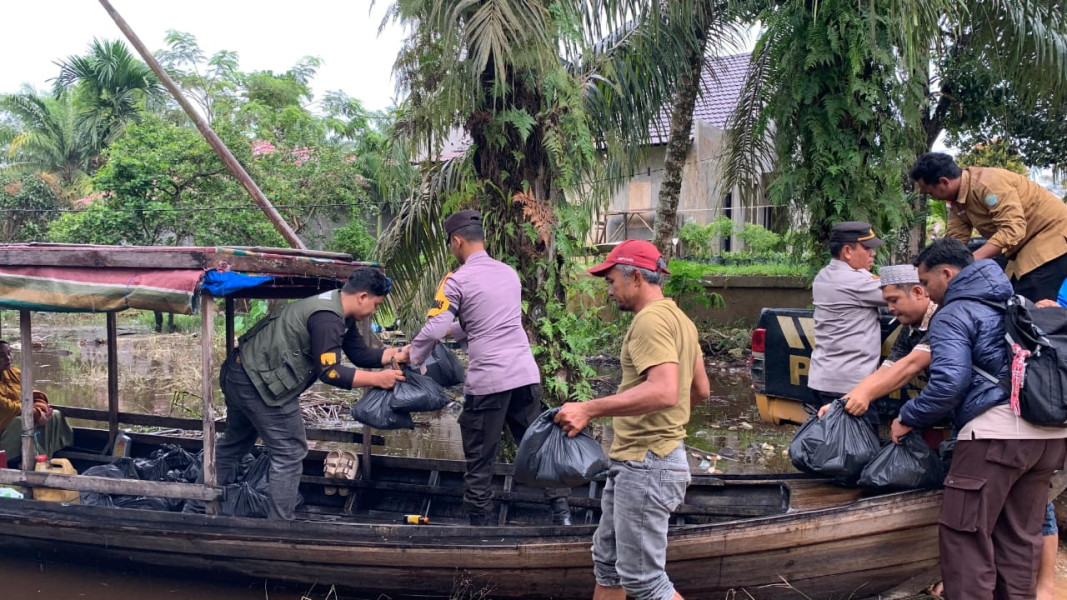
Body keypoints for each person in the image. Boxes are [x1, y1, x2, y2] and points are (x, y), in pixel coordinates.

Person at [890, 238, 1067, 599]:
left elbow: (948, 385)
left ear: (947, 273)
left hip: (993, 440)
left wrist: (908, 416)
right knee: (1019, 537)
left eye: (927, 282)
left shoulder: (955, 313)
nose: (928, 292)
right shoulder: (1021, 303)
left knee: (965, 537)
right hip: (1047, 441)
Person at [554, 240, 710, 600]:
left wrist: (589, 408)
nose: (609, 291)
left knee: (644, 581)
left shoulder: (650, 321)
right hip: (643, 460)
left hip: (648, 463)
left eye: (611, 281)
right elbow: (699, 389)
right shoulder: (680, 319)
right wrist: (665, 420)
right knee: (608, 565)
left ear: (636, 277)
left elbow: (666, 392)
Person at [408, 209, 572, 526]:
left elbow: (434, 328)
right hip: (525, 376)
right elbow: (485, 324)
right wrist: (451, 334)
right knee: (536, 449)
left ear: (457, 241)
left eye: (450, 244)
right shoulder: (507, 273)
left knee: (480, 460)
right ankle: (562, 514)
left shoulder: (457, 280)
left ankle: (481, 529)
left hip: (490, 382)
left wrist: (412, 357)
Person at [208, 268, 409, 520]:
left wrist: (395, 354)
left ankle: (196, 509)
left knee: (235, 444)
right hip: (257, 384)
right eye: (376, 305)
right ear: (363, 296)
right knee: (290, 452)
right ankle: (279, 526)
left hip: (240, 373)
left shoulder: (337, 311)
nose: (374, 311)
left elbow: (359, 354)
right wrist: (378, 379)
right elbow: (330, 372)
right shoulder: (328, 318)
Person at [909, 152, 1067, 303]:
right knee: (1011, 297)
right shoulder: (958, 202)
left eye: (930, 193)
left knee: (1030, 301)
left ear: (944, 182)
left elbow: (1012, 229)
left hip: (1050, 238)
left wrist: (970, 262)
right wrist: (927, 267)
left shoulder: (988, 184)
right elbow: (954, 243)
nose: (933, 198)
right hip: (1022, 249)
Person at [817, 264, 936, 420]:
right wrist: (843, 401)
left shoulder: (943, 318)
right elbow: (889, 366)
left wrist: (866, 394)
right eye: (887, 302)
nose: (890, 308)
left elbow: (911, 365)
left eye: (894, 300)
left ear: (918, 292)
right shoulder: (910, 326)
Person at [807, 222, 887, 420]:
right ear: (847, 251)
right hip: (850, 386)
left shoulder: (823, 276)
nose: (873, 254)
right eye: (867, 248)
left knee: (832, 444)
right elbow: (906, 295)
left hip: (824, 378)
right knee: (857, 448)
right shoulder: (857, 282)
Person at [0, 340, 73, 464]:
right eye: (1, 356)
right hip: (5, 429)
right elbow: (9, 407)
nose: (8, 358)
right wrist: (37, 413)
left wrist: (40, 409)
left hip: (26, 413)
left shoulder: (15, 373)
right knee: (21, 422)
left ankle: (44, 455)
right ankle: (19, 460)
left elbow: (35, 395)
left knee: (55, 414)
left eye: (9, 353)